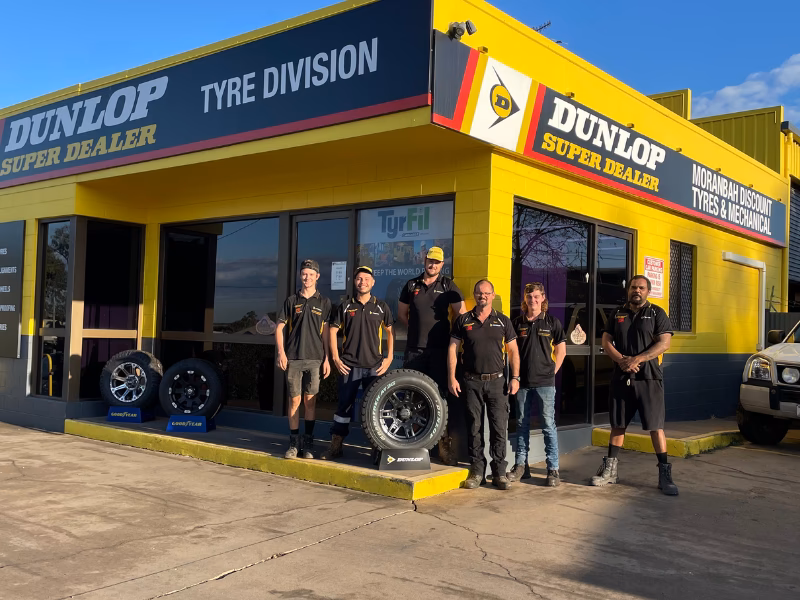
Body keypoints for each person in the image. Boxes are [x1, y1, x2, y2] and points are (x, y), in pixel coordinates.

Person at [591, 275, 677, 495]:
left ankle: (664, 475)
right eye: (633, 287)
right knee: (618, 424)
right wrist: (622, 360)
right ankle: (610, 471)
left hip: (649, 378)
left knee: (655, 426)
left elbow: (664, 343)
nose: (636, 290)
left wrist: (637, 359)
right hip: (621, 377)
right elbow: (606, 341)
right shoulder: (617, 313)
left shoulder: (657, 313)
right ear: (628, 290)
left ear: (647, 291)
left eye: (641, 288)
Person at [449, 280, 520, 490]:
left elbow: (513, 351)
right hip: (471, 382)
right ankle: (477, 472)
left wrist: (515, 377)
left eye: (487, 293)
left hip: (497, 383)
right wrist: (452, 377)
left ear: (493, 295)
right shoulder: (463, 320)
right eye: (480, 293)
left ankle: (499, 473)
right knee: (474, 428)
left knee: (499, 428)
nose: (483, 296)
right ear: (475, 294)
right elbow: (453, 349)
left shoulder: (503, 321)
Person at [397, 246, 466, 464]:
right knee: (412, 397)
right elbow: (402, 314)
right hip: (414, 351)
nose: (432, 265)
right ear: (424, 260)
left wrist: (453, 336)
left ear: (442, 264)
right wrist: (416, 331)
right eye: (430, 261)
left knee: (440, 398)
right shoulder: (411, 285)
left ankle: (443, 447)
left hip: (439, 351)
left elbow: (461, 313)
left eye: (437, 262)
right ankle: (414, 444)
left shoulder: (447, 285)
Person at [324, 266, 394, 460]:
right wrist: (336, 358)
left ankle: (378, 448)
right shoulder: (346, 306)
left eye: (366, 279)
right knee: (344, 407)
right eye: (359, 279)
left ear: (373, 282)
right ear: (355, 282)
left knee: (376, 409)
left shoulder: (381, 306)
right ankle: (336, 445)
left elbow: (390, 331)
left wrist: (389, 358)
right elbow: (332, 331)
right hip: (349, 365)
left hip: (375, 367)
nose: (363, 282)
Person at [507, 282, 566, 486]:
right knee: (522, 425)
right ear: (525, 299)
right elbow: (511, 351)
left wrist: (551, 372)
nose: (532, 300)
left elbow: (561, 350)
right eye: (529, 296)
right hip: (522, 382)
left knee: (548, 425)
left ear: (543, 298)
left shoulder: (552, 322)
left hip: (545, 383)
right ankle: (521, 466)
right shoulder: (517, 323)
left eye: (536, 296)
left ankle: (553, 469)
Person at [275, 259, 332, 459]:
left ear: (317, 277)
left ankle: (308, 443)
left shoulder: (324, 302)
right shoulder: (291, 301)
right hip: (294, 358)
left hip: (315, 359)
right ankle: (293, 443)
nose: (307, 277)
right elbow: (279, 328)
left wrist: (327, 358)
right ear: (300, 276)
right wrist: (281, 353)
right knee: (294, 401)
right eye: (304, 274)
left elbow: (326, 333)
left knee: (310, 402)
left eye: (311, 274)